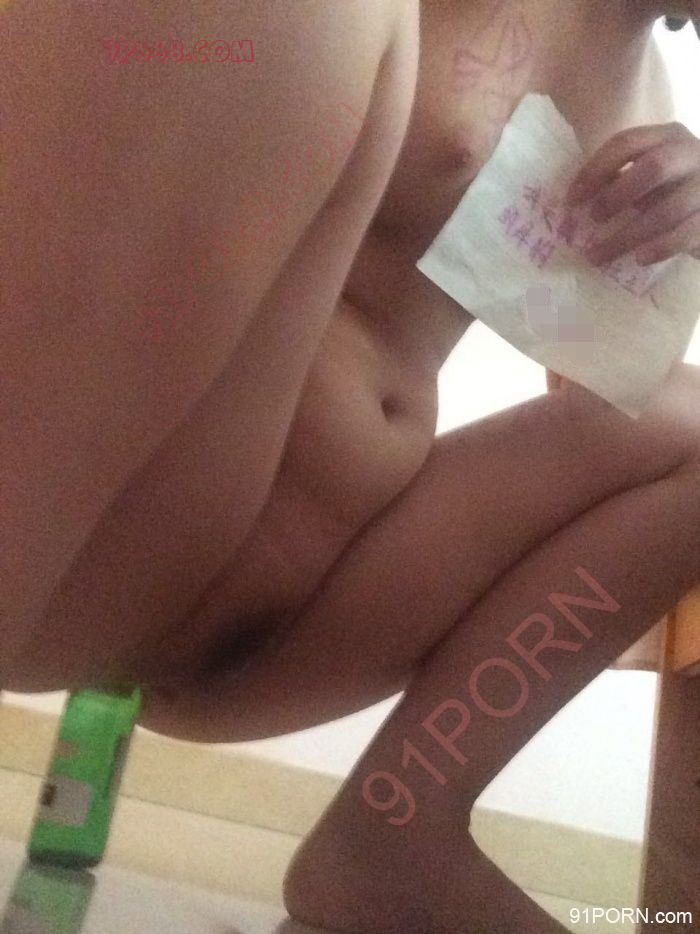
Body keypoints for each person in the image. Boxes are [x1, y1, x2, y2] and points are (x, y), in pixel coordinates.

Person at [2, 1, 699, 930]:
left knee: (696, 423)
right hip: (111, 536)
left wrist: (674, 233)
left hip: (303, 619)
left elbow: (598, 393)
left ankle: (395, 835)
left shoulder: (647, 105)